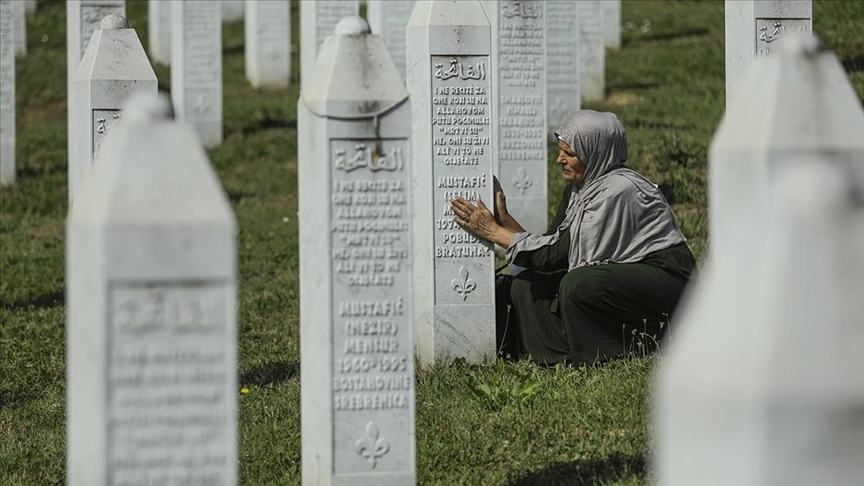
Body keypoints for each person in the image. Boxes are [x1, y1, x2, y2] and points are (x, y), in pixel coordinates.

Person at [450, 110, 697, 366]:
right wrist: (505, 220)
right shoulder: (580, 190)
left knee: (578, 284)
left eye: (569, 153)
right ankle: (556, 355)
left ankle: (638, 343)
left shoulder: (619, 191)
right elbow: (551, 246)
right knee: (526, 282)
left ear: (594, 152)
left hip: (666, 281)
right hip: (622, 274)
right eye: (560, 151)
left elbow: (558, 254)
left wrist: (494, 232)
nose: (559, 159)